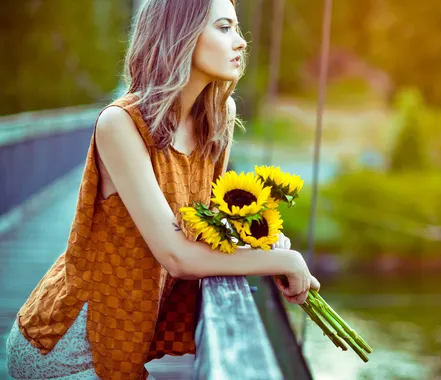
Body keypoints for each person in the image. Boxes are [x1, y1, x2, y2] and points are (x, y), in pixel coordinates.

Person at [6, 0, 319, 379]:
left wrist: (265, 241)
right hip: (64, 348)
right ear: (181, 34)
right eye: (224, 28)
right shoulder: (120, 124)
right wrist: (283, 263)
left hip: (130, 334)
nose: (240, 42)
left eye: (237, 29)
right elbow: (176, 254)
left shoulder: (219, 116)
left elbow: (212, 222)